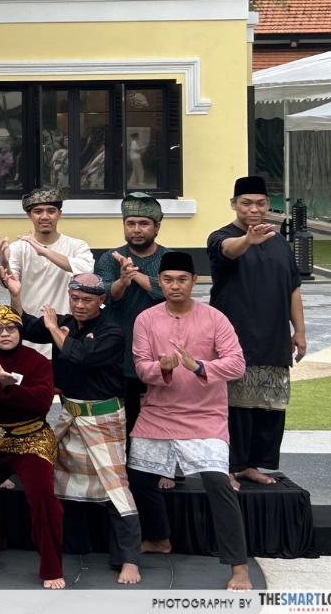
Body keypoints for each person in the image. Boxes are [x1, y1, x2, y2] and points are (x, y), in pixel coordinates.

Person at [7, 272, 142, 584]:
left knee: (116, 488)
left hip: (104, 418)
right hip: (69, 415)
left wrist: (54, 328)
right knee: (56, 477)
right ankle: (71, 543)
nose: (79, 305)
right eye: (75, 298)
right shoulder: (65, 321)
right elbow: (24, 325)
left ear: (101, 300)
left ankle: (130, 560)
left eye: (87, 300)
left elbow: (80, 356)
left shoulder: (112, 332)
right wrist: (15, 293)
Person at [129, 251, 251, 592]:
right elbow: (141, 367)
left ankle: (239, 567)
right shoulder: (146, 320)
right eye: (168, 280)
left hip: (205, 416)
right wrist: (162, 368)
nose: (175, 286)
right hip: (159, 413)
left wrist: (198, 366)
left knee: (218, 484)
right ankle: (158, 539)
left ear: (194, 281)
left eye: (182, 279)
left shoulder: (215, 318)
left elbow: (237, 364)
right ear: (159, 282)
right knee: (138, 479)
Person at [208, 176, 306, 486]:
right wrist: (248, 240)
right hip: (234, 338)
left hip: (274, 337)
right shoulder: (221, 236)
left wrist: (299, 331)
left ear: (267, 206)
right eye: (246, 203)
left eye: (260, 203)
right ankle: (227, 466)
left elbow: (293, 287)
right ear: (233, 204)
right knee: (232, 407)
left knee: (268, 407)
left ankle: (251, 465)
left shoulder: (279, 242)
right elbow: (228, 250)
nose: (254, 209)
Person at [0, 304, 64, 588]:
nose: (4, 333)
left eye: (10, 328)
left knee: (43, 495)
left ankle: (52, 568)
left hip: (32, 438)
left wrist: (7, 387)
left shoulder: (37, 361)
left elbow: (42, 401)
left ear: (19, 331)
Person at [93, 193, 170, 433]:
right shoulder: (109, 259)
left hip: (160, 350)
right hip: (119, 351)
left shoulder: (169, 258)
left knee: (158, 422)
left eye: (143, 223)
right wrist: (122, 281)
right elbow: (105, 295)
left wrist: (134, 274)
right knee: (120, 423)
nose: (136, 230)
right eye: (131, 223)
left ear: (157, 227)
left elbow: (168, 291)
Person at [0, 186, 94, 356]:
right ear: (29, 215)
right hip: (29, 333)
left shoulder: (76, 246)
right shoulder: (18, 248)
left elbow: (86, 269)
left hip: (66, 334)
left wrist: (44, 251)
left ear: (60, 214)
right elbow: (10, 280)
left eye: (51, 211)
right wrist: (4, 262)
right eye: (38, 211)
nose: (45, 216)